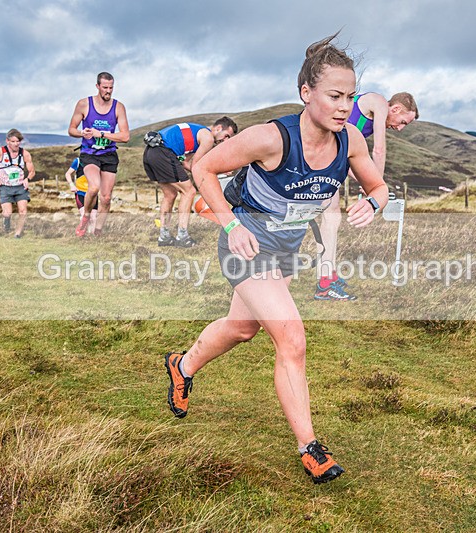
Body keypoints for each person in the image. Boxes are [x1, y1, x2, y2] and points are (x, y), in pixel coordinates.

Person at [163, 33, 388, 484]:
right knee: (292, 338)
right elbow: (202, 169)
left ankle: (181, 366)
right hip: (245, 243)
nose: (345, 107)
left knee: (243, 328)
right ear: (306, 92)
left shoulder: (350, 143)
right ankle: (310, 448)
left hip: (285, 249)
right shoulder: (270, 138)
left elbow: (377, 186)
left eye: (350, 96)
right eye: (334, 96)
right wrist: (230, 224)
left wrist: (375, 202)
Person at [315, 91, 418, 300]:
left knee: (332, 219)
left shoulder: (369, 117)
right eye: (403, 122)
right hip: (321, 157)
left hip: (331, 160)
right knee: (329, 219)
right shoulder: (378, 102)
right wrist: (377, 186)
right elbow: (378, 150)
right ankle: (324, 284)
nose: (399, 128)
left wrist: (366, 180)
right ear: (396, 108)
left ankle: (329, 277)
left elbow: (350, 157)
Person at [143, 117, 238, 247]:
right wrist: (219, 172)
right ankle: (182, 236)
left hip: (151, 152)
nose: (225, 140)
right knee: (189, 191)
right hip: (163, 152)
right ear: (219, 128)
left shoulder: (197, 134)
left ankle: (164, 237)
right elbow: (196, 167)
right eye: (227, 136)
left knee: (170, 195)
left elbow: (186, 163)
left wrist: (216, 172)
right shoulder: (208, 137)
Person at [68, 72, 130, 237]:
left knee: (106, 198)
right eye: (105, 88)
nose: (108, 91)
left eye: (111, 88)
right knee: (94, 187)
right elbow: (71, 130)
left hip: (109, 155)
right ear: (97, 86)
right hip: (89, 154)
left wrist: (102, 134)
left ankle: (97, 232)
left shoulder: (118, 107)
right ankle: (86, 216)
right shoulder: (84, 104)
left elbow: (125, 136)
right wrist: (83, 133)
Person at [0, 129, 35, 238]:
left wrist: (27, 179)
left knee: (23, 211)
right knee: (7, 213)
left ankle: (17, 234)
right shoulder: (0, 152)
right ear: (7, 141)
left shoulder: (25, 154)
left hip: (20, 187)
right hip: (5, 187)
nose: (15, 144)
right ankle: (6, 224)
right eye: (13, 141)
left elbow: (32, 171)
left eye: (18, 141)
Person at [65, 156, 98, 226]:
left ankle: (92, 236)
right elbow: (67, 173)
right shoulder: (78, 161)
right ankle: (82, 234)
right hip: (80, 192)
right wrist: (72, 185)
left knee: (93, 218)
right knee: (84, 215)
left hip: (93, 193)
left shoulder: (98, 160)